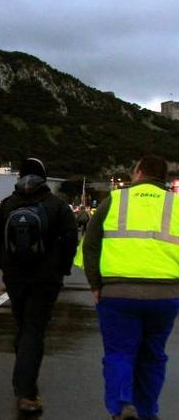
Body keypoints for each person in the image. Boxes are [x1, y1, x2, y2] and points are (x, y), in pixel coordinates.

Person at [83, 156, 179, 420]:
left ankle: (122, 405)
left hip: (117, 294)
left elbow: (90, 244)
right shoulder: (177, 204)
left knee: (120, 352)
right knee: (153, 356)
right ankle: (148, 412)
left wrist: (95, 285)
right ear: (166, 178)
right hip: (165, 296)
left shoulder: (114, 200)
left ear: (137, 172)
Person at [0, 158, 77, 414]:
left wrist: (4, 266)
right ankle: (26, 392)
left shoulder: (6, 205)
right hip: (45, 279)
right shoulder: (56, 205)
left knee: (23, 325)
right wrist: (62, 268)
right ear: (44, 177)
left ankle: (24, 382)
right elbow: (71, 238)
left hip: (15, 278)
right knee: (34, 330)